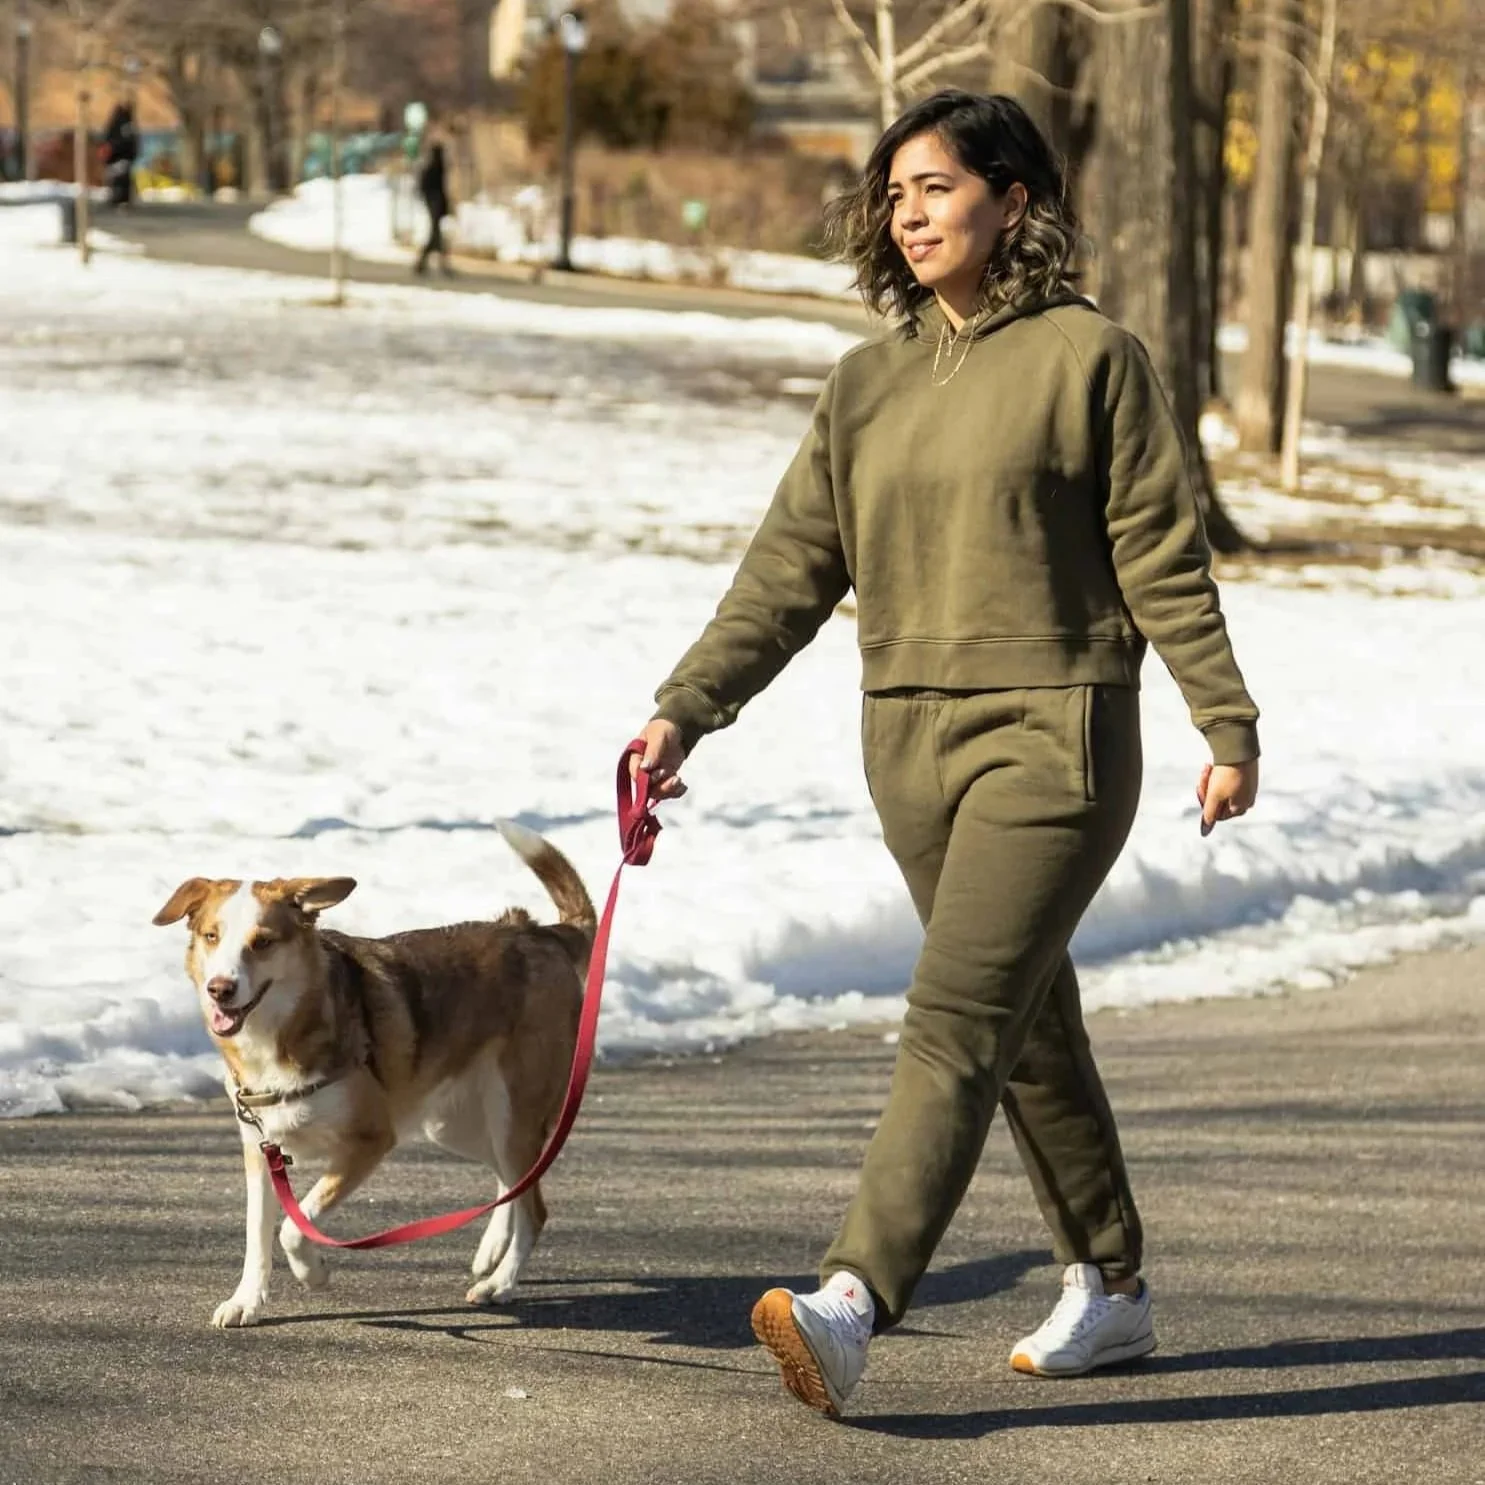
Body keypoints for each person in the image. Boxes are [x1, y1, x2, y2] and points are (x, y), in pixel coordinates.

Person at [628, 89, 1260, 1419]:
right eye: (894, 192)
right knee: (1023, 1023)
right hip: (906, 738)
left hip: (1056, 732)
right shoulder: (867, 383)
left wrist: (1224, 721)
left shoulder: (1092, 359)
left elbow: (1159, 549)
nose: (907, 213)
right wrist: (685, 707)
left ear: (1013, 202)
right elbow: (792, 567)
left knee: (953, 1019)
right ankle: (1116, 1286)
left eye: (937, 187)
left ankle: (851, 1299)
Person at [414, 141, 453, 278]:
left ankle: (431, 264)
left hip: (436, 205)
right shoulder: (434, 168)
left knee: (436, 237)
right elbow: (434, 189)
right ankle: (430, 264)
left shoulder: (435, 167)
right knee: (435, 236)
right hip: (434, 205)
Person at [102, 101, 139, 209]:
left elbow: (109, 139)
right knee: (121, 180)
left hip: (118, 157)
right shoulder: (127, 126)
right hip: (121, 157)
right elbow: (131, 142)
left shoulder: (118, 125)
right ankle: (121, 199)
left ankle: (119, 198)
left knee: (118, 180)